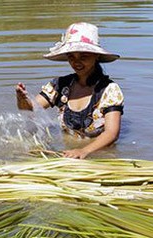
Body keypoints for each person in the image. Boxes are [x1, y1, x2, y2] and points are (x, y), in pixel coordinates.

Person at [16, 22, 124, 159]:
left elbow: (111, 134)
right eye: (71, 57)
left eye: (83, 57)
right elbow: (31, 109)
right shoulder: (60, 85)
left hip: (98, 154)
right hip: (68, 153)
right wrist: (22, 99)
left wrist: (83, 151)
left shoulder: (109, 90)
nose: (76, 62)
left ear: (96, 56)